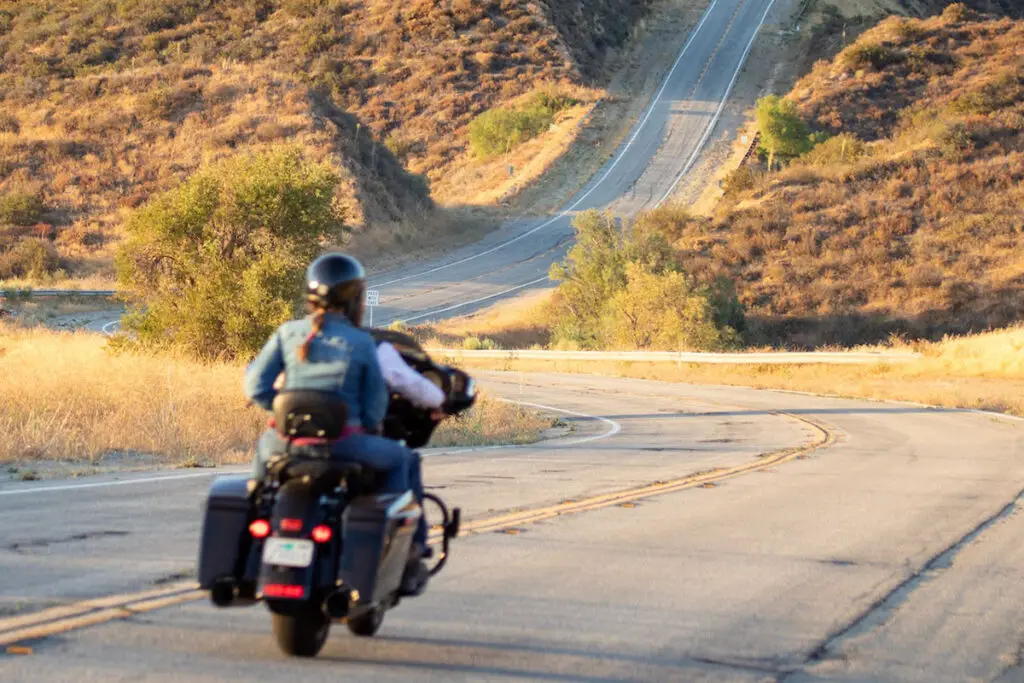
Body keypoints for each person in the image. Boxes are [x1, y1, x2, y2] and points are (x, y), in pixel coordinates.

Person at [243, 252, 427, 595]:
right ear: (354, 298)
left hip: (284, 444)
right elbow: (375, 406)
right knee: (404, 460)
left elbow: (254, 386)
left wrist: (281, 413)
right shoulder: (360, 342)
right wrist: (367, 427)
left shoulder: (288, 333)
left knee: (259, 479)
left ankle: (250, 530)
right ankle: (406, 546)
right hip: (344, 444)